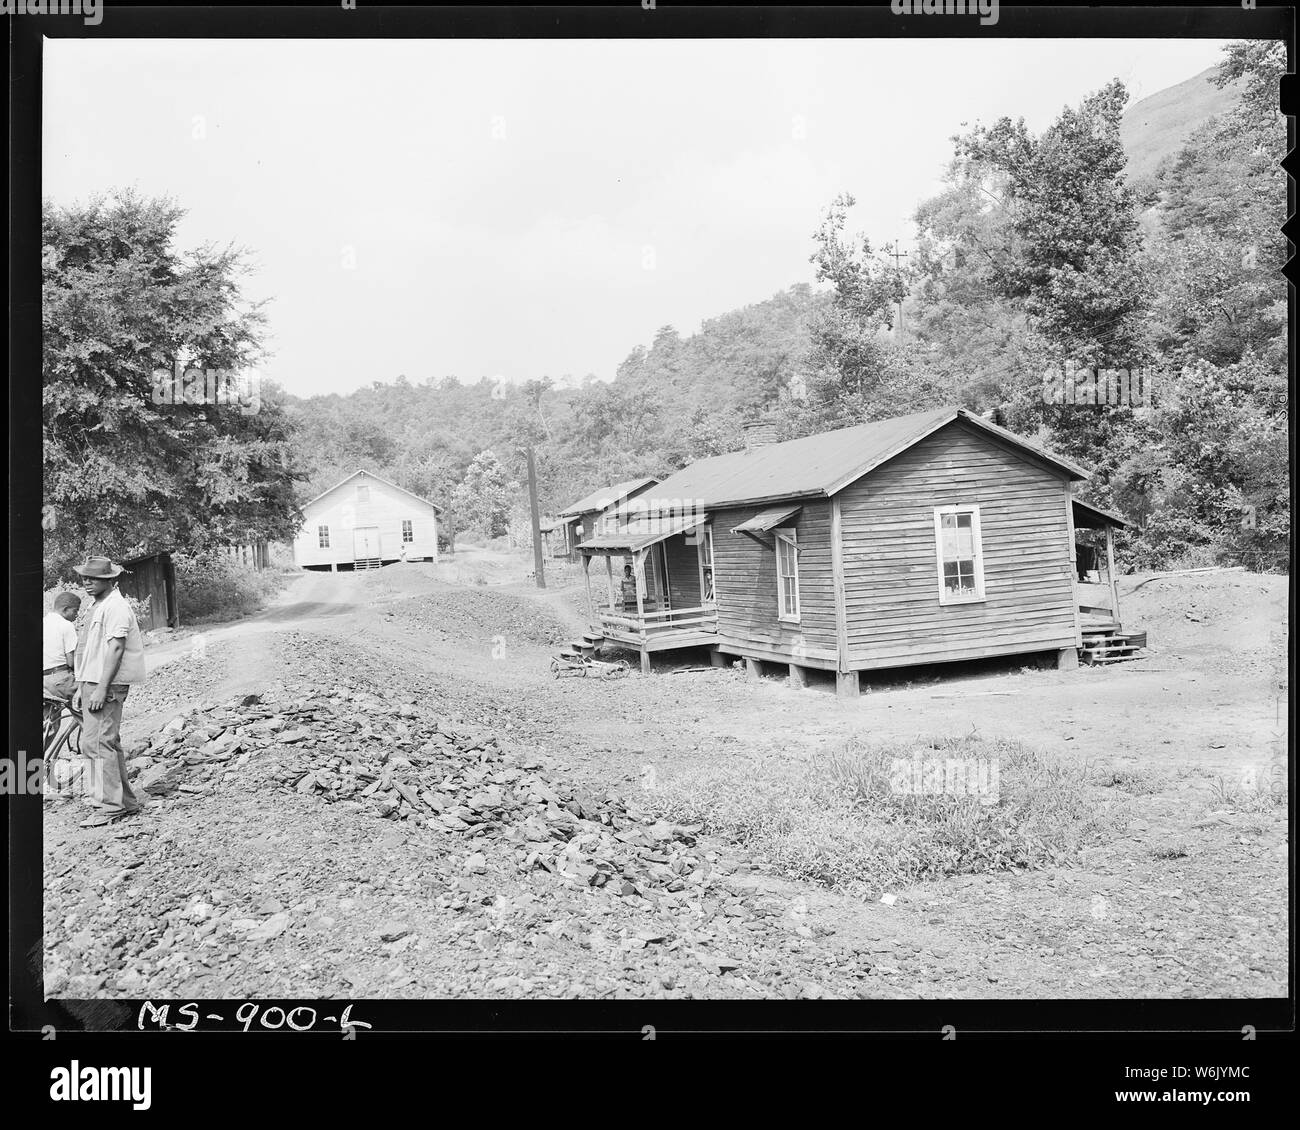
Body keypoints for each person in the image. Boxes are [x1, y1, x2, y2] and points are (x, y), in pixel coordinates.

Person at [73, 556, 147, 828]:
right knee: (107, 743)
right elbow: (91, 651)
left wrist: (101, 689)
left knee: (96, 744)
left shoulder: (116, 606)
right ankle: (125, 802)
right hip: (93, 681)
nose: (87, 582)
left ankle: (108, 807)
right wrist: (83, 686)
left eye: (93, 578)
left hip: (106, 684)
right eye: (85, 577)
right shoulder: (100, 605)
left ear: (110, 580)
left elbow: (116, 649)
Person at [43, 592, 81, 703]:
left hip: (44, 680)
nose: (77, 614)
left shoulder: (43, 622)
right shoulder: (66, 625)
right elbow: (71, 662)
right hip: (60, 679)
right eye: (75, 610)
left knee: (51, 717)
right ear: (65, 609)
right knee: (87, 705)